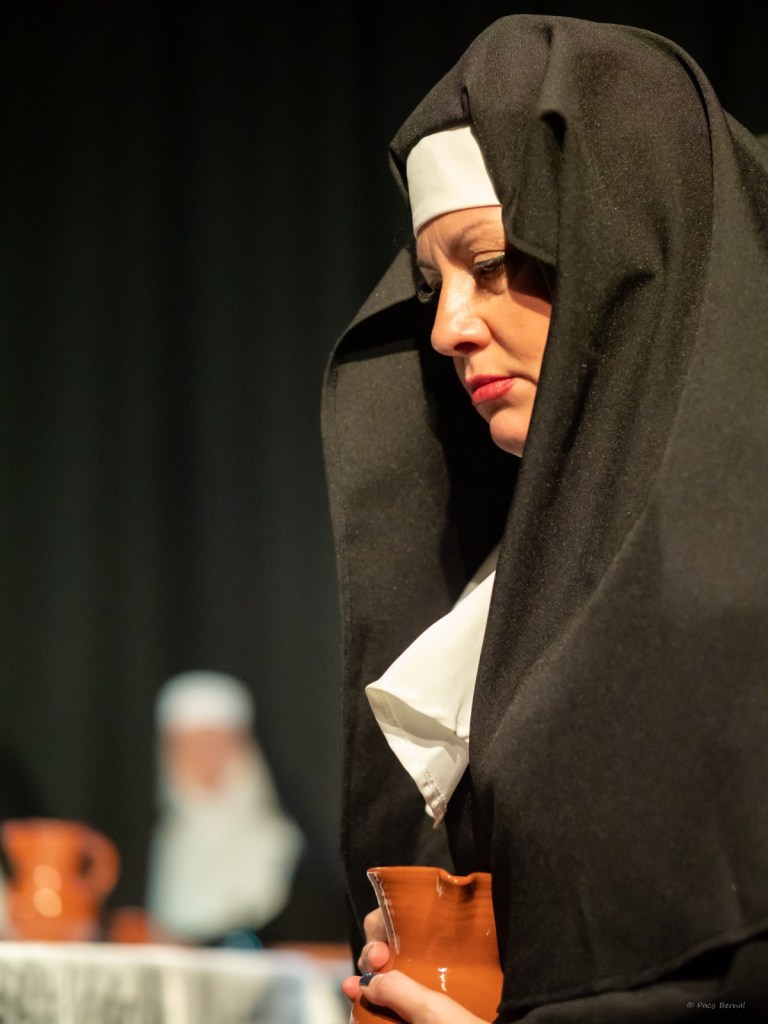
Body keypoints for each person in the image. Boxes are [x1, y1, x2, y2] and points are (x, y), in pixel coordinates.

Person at [322, 15, 768, 1024]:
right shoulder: (515, 588)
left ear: (628, 250)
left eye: (491, 263)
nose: (447, 327)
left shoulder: (740, 575)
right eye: (433, 286)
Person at [145, 670, 303, 945]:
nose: (203, 760)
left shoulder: (282, 845)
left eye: (214, 745)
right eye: (189, 747)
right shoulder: (156, 840)